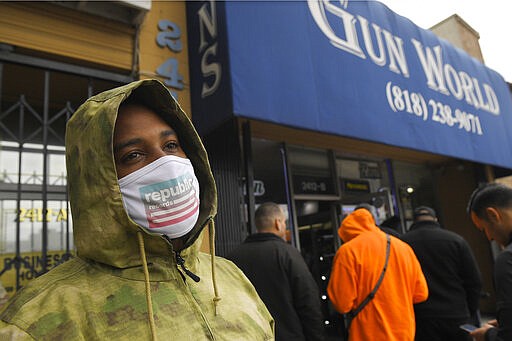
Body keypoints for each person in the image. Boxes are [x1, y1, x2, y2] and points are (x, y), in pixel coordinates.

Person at [0, 79, 274, 340]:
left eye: (171, 145)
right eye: (133, 155)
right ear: (99, 182)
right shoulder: (41, 319)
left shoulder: (231, 277)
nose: (165, 163)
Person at [227, 202, 324, 341]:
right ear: (278, 223)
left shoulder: (233, 258)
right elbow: (308, 303)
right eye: (284, 222)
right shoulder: (288, 254)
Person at [328, 207, 428, 341]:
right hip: (403, 332)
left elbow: (341, 304)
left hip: (367, 334)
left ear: (345, 231)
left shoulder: (348, 251)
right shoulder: (404, 248)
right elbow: (421, 294)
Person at [401, 206, 482, 341]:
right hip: (456, 313)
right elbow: (474, 281)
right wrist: (469, 310)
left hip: (420, 316)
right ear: (435, 219)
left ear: (413, 221)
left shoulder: (402, 243)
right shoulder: (456, 241)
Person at [467, 183, 512, 341]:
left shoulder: (507, 259)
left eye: (484, 229)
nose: (489, 237)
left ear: (493, 215)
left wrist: (487, 335)